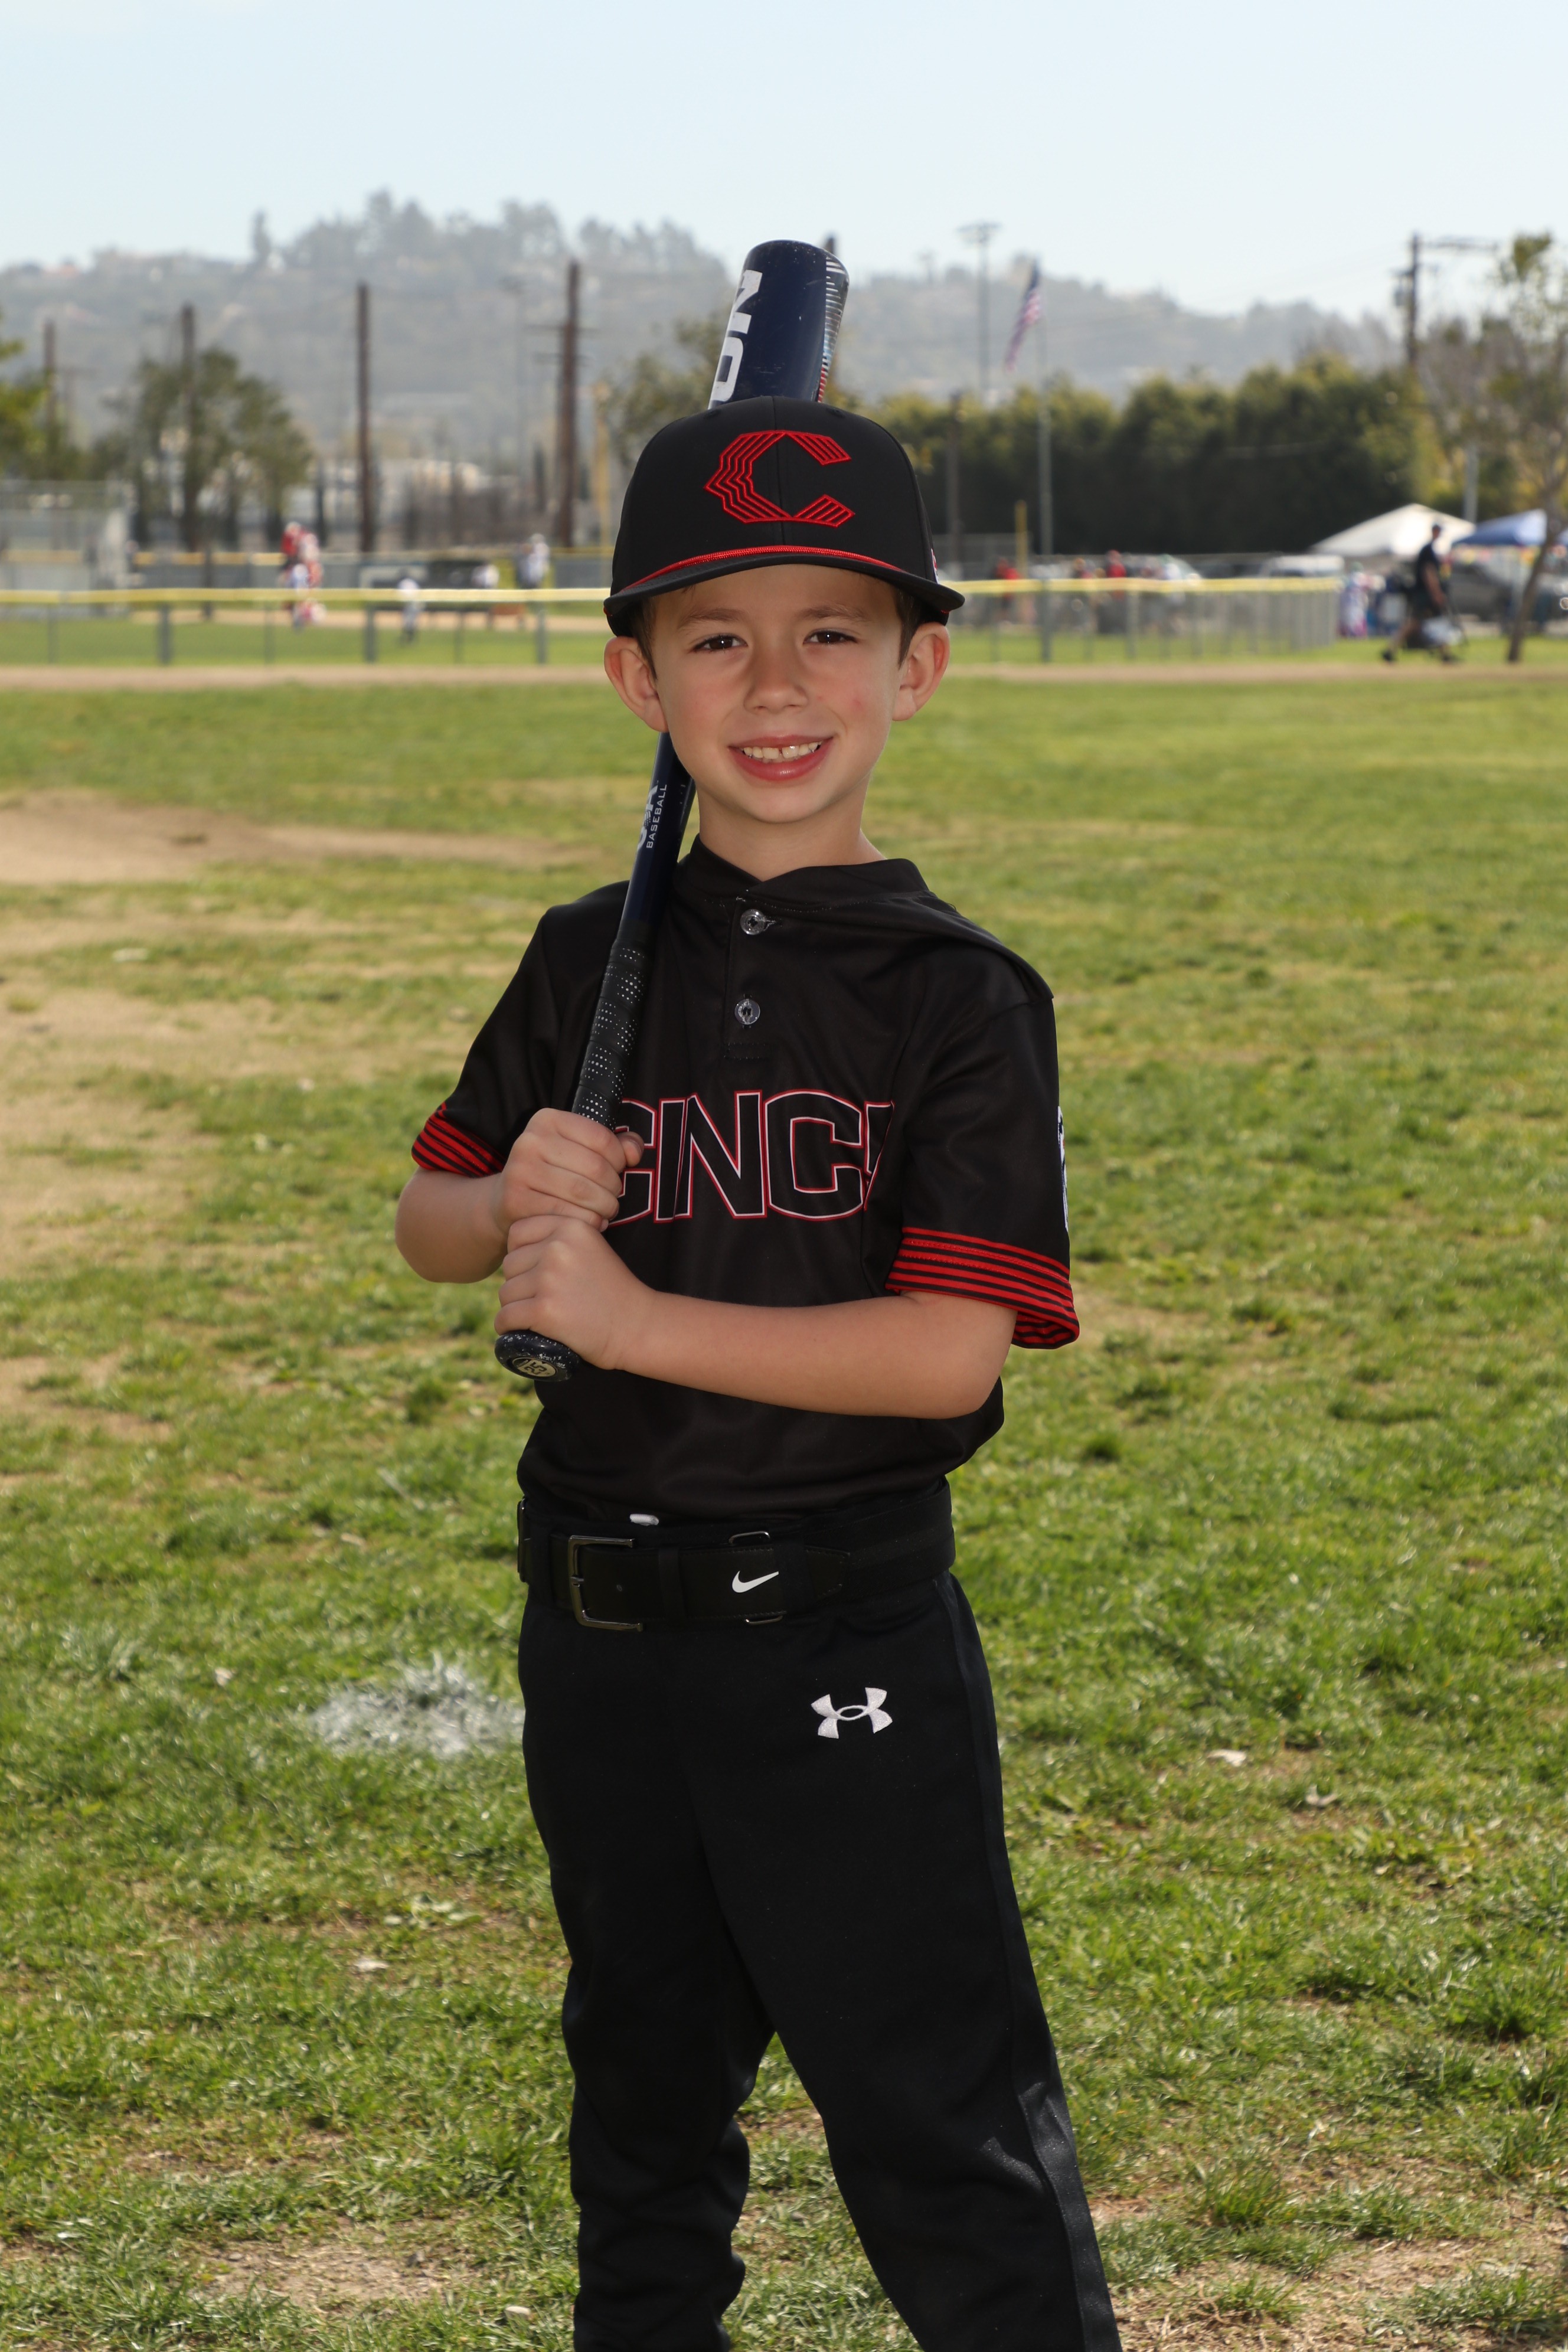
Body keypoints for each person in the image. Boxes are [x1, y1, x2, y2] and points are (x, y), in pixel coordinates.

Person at [395, 397, 1122, 2352]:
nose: (777, 684)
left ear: (918, 669)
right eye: (716, 635)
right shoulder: (585, 958)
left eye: (832, 632)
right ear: (638, 680)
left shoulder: (957, 996)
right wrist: (507, 1203)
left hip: (836, 1626)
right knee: (639, 2111)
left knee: (938, 2119)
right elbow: (430, 1216)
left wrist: (629, 1317)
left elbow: (943, 1353)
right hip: (599, 1631)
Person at [1384, 520, 1454, 662]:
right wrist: (1437, 594)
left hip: (1424, 593)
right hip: (1426, 594)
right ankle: (1445, 654)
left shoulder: (1429, 550)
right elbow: (1429, 574)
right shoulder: (1428, 551)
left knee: (1421, 622)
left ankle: (1391, 650)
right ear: (1435, 532)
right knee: (1431, 621)